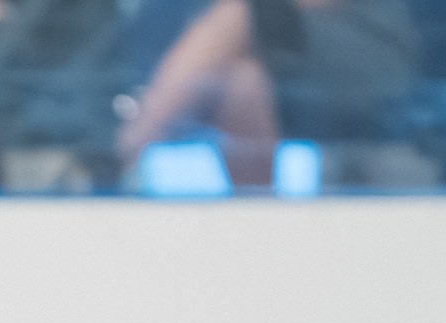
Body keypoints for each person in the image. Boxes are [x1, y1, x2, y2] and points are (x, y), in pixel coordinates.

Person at [115, 0, 418, 186]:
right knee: (242, 83)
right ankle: (261, 229)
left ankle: (126, 150)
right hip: (263, 52)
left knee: (234, 16)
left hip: (360, 51)